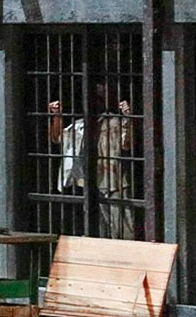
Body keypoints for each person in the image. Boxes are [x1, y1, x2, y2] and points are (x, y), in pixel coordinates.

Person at [47, 87, 135, 240]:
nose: (95, 103)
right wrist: (57, 116)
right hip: (90, 184)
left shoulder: (115, 122)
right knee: (98, 232)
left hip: (114, 182)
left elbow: (128, 144)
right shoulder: (80, 125)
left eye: (99, 99)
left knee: (122, 231)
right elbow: (58, 138)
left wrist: (129, 118)